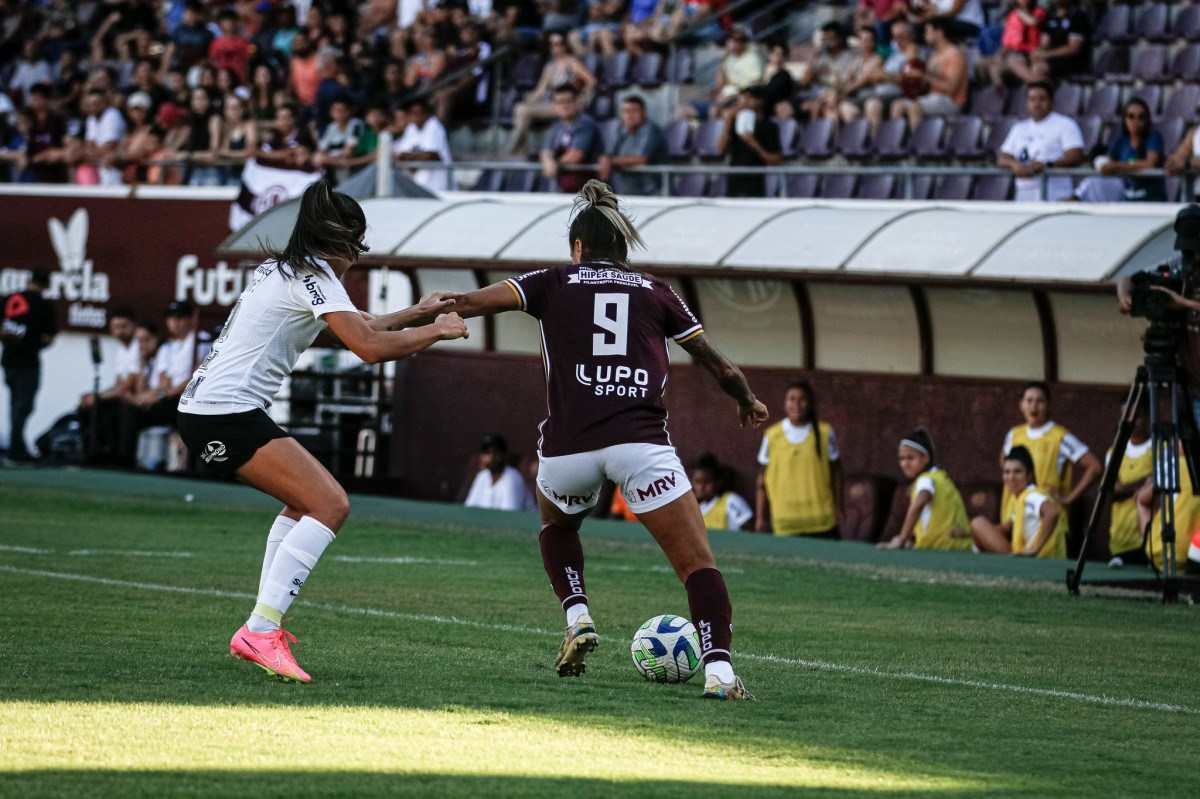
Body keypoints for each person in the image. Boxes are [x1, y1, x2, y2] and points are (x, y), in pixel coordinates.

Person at [445, 180, 770, 700]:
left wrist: (423, 316)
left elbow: (471, 301)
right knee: (698, 566)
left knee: (556, 526)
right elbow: (718, 364)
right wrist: (747, 400)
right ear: (624, 249)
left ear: (577, 248)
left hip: (567, 449)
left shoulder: (552, 281)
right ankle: (721, 676)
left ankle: (577, 615)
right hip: (640, 446)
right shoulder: (658, 292)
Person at [176, 180, 468, 683]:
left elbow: (358, 326)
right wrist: (436, 331)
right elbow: (368, 347)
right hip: (224, 412)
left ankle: (260, 625)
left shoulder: (284, 269)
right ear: (341, 243)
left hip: (211, 409)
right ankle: (261, 629)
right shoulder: (317, 275)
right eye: (357, 247)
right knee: (330, 504)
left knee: (302, 504)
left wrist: (418, 312)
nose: (357, 258)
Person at [998, 381, 1101, 550]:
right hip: (1013, 512)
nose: (1034, 406)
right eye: (1029, 400)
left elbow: (1094, 467)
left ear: (1048, 405)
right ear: (1021, 405)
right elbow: (1003, 459)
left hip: (1045, 515)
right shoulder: (1014, 434)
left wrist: (1069, 498)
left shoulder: (1060, 436)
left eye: (1040, 401)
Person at [755, 380, 843, 537]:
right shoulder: (772, 435)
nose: (797, 404)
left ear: (810, 403)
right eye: (792, 399)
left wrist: (839, 507)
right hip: (785, 522)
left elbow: (837, 473)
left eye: (802, 399)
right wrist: (761, 517)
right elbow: (762, 481)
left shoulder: (824, 432)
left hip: (821, 521)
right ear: (784, 403)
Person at [878, 429, 971, 551]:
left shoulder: (926, 480)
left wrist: (902, 539)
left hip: (944, 548)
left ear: (925, 458)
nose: (904, 464)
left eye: (910, 458)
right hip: (958, 547)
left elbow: (919, 504)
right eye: (901, 458)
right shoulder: (940, 477)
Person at [507, 32, 596, 154]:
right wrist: (527, 100)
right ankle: (520, 150)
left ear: (565, 45)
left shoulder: (572, 63)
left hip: (566, 104)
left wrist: (582, 99)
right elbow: (540, 91)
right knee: (520, 108)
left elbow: (592, 81)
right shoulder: (550, 67)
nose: (555, 48)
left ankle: (513, 150)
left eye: (558, 44)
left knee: (523, 111)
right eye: (552, 45)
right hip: (552, 103)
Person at [1, 271, 57, 463]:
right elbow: (49, 338)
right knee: (24, 406)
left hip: (8, 360)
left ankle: (16, 445)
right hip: (28, 362)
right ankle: (16, 449)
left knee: (15, 404)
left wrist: (13, 338)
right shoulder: (44, 306)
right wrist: (32, 344)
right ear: (46, 286)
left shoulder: (10, 299)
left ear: (28, 281)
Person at [997, 80, 1084, 202]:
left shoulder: (1065, 124)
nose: (1037, 104)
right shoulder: (1019, 128)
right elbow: (1002, 158)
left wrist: (1046, 165)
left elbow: (1075, 156)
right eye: (1032, 99)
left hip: (1056, 194)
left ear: (1052, 101)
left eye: (1042, 99)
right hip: (1023, 194)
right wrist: (1014, 165)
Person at [971, 445, 1064, 557]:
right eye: (1007, 472)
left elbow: (1052, 512)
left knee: (978, 523)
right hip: (1024, 556)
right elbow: (1005, 528)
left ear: (1029, 475)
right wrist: (967, 533)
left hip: (1040, 560)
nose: (1011, 477)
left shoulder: (1032, 495)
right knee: (978, 527)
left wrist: (1033, 549)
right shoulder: (1021, 498)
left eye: (1017, 472)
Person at [1075, 98, 1165, 204]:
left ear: (1147, 119)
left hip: (1152, 199)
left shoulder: (1153, 137)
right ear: (1125, 119)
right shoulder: (1121, 142)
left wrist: (1118, 166)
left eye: (1141, 117)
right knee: (1092, 183)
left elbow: (1150, 163)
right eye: (1131, 116)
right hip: (1126, 198)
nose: (1136, 121)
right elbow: (1109, 163)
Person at [887, 18, 967, 128]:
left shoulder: (954, 54)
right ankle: (896, 143)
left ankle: (918, 143)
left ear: (939, 32)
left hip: (951, 101)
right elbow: (926, 83)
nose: (925, 35)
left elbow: (951, 89)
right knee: (897, 105)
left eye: (928, 31)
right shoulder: (934, 56)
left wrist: (922, 76)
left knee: (914, 106)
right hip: (931, 98)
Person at [1106, 412, 1152, 568]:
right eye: (1126, 414)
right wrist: (1142, 483)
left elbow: (1157, 485)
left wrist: (1124, 488)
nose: (1131, 420)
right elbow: (1110, 491)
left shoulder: (1160, 448)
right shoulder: (1114, 452)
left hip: (1147, 536)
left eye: (1137, 415)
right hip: (1119, 534)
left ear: (1148, 417)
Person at [719, 85, 781, 198]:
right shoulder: (734, 123)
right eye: (743, 97)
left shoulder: (769, 127)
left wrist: (753, 143)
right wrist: (728, 121)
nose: (744, 101)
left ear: (761, 101)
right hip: (734, 181)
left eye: (750, 97)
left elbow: (775, 159)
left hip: (755, 183)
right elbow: (720, 150)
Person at [597, 95, 666, 196]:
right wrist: (605, 158)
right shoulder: (619, 129)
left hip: (651, 193)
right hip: (625, 192)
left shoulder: (651, 130)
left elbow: (641, 159)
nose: (629, 115)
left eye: (634, 111)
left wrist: (610, 161)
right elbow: (608, 154)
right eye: (625, 111)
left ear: (644, 113)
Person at [540, 84, 600, 194]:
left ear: (577, 102)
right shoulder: (555, 126)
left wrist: (554, 164)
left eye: (568, 101)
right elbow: (546, 151)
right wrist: (547, 161)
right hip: (562, 188)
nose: (564, 106)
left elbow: (575, 156)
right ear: (554, 105)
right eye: (559, 102)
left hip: (586, 192)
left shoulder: (585, 124)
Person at [393, 96, 453, 192]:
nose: (414, 116)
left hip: (438, 188)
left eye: (417, 112)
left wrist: (407, 157)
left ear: (426, 113)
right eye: (411, 113)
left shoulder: (434, 125)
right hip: (418, 185)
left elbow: (432, 155)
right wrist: (408, 157)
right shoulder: (411, 128)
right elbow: (399, 154)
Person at [464, 434, 531, 511]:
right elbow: (469, 509)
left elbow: (510, 517)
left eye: (488, 452)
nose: (483, 457)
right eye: (483, 452)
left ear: (501, 455)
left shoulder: (512, 478)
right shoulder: (482, 476)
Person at [692, 453, 753, 532]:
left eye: (706, 482)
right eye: (697, 482)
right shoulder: (697, 511)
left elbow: (749, 530)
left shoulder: (730, 501)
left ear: (718, 483)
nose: (701, 487)